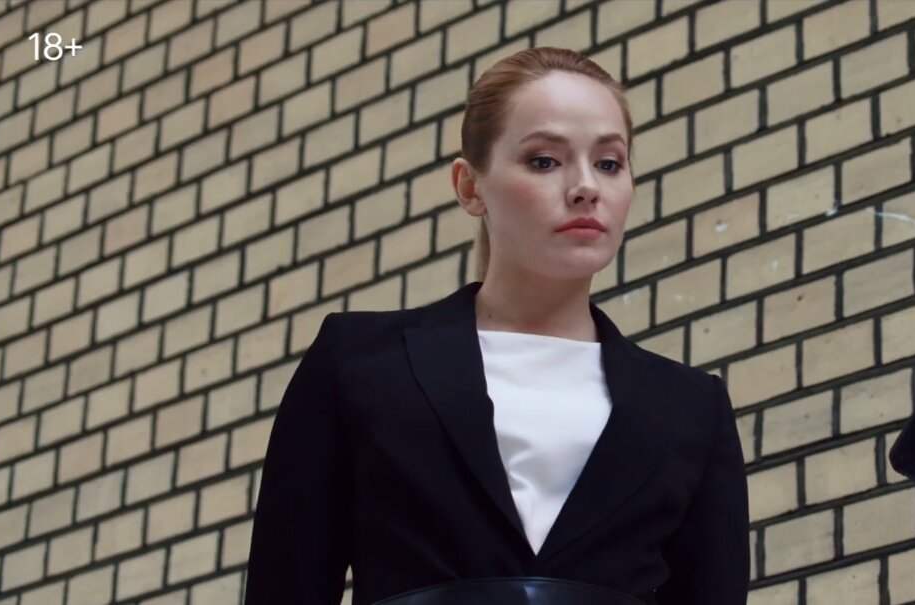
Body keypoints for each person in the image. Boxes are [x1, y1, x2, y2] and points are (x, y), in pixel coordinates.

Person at [242, 47, 750, 605]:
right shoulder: (359, 363)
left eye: (609, 163)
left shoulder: (691, 409)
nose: (586, 187)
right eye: (544, 161)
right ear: (469, 187)